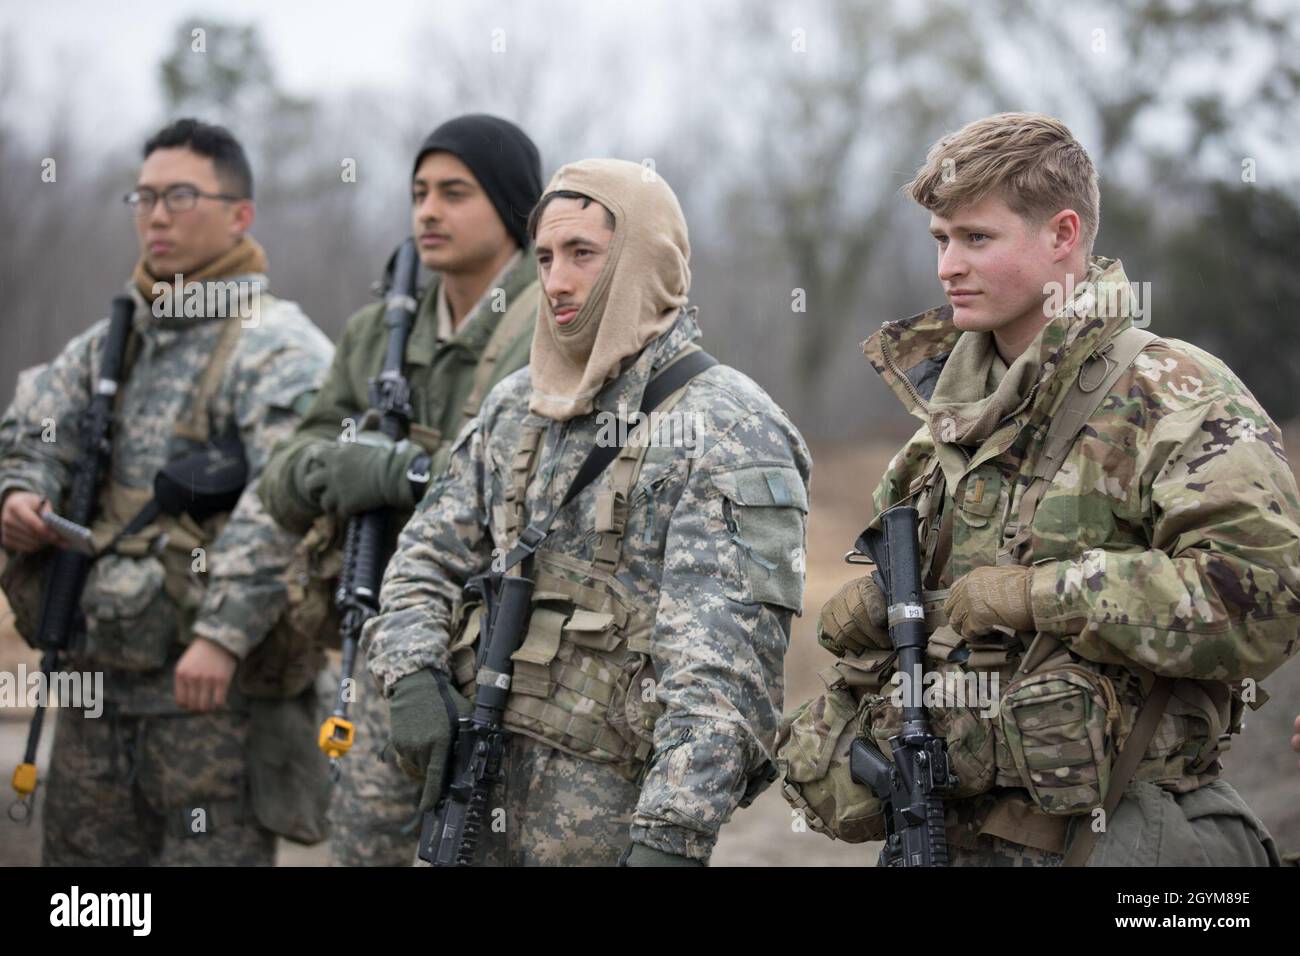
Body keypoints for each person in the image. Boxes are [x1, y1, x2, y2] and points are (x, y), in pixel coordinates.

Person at [781, 112, 1299, 866]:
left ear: (1062, 235)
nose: (947, 267)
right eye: (940, 240)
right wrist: (881, 614)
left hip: (1112, 838)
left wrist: (1047, 595)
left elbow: (1263, 600)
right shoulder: (945, 430)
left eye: (976, 238)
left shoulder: (1172, 393)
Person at [363, 158, 812, 865]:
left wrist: (671, 837)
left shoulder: (726, 426)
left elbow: (725, 667)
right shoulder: (517, 405)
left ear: (644, 259)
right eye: (544, 256)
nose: (557, 281)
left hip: (612, 827)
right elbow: (425, 554)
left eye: (583, 254)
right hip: (475, 804)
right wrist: (414, 671)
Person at [0, 118, 333, 865]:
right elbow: (32, 429)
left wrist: (221, 634)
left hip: (210, 699)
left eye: (179, 196)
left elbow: (290, 505)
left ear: (240, 213)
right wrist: (21, 494)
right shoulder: (113, 340)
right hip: (94, 680)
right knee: (89, 902)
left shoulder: (276, 346)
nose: (155, 215)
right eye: (143, 196)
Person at [258, 114, 543, 866]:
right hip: (389, 652)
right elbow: (285, 475)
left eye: (455, 192)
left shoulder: (551, 326)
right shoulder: (378, 331)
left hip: (514, 665)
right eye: (419, 192)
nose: (428, 211)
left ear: (513, 208)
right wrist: (339, 468)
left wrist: (396, 474)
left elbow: (531, 484)